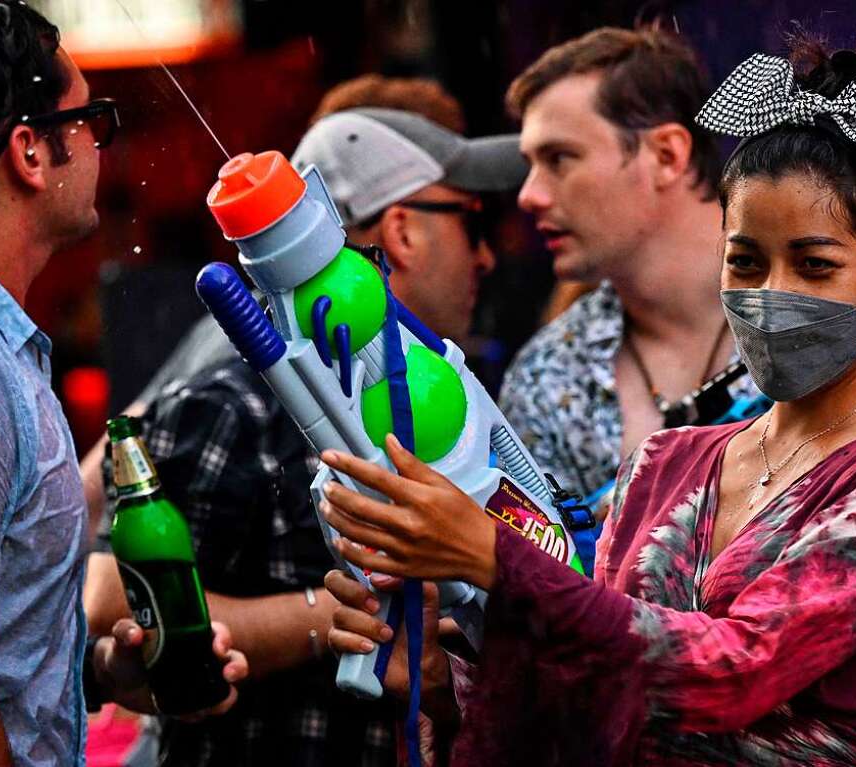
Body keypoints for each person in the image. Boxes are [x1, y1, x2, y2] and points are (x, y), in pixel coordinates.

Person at [320, 44, 856, 766]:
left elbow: (733, 669)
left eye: (815, 264)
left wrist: (493, 561)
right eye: (746, 260)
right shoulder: (666, 460)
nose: (770, 293)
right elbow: (581, 693)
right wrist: (452, 648)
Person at [82, 79, 525, 766]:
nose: (487, 253)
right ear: (401, 231)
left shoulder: (453, 399)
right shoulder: (234, 401)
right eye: (471, 218)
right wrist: (332, 617)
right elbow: (113, 600)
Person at [0, 3, 244, 766]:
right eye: (89, 118)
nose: (99, 143)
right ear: (31, 152)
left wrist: (98, 672)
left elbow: (2, 654)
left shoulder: (4, 348)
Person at [497, 25, 756, 504]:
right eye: (531, 164)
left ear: (666, 154)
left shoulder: (836, 304)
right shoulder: (547, 376)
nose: (528, 195)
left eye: (559, 158)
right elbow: (537, 573)